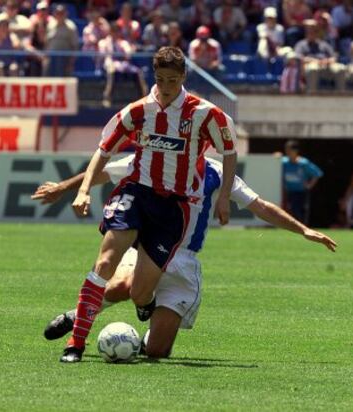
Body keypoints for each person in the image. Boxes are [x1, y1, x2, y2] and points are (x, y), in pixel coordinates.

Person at [32, 155, 337, 358]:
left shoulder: (217, 171)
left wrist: (303, 230)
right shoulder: (154, 156)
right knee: (123, 285)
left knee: (157, 352)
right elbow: (103, 172)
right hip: (148, 247)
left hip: (184, 262)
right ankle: (77, 317)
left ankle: (134, 338)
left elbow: (260, 205)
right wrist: (63, 187)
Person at [57, 46, 238, 362]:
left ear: (182, 77)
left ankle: (144, 303)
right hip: (136, 194)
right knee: (105, 263)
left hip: (173, 209)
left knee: (139, 291)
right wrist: (84, 189)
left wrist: (223, 196)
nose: (165, 86)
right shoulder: (138, 111)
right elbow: (104, 150)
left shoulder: (206, 113)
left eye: (171, 80)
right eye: (160, 79)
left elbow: (229, 151)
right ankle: (75, 343)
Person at [294, 19, 346, 93]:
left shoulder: (323, 44)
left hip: (326, 66)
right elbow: (299, 57)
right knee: (313, 68)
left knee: (341, 68)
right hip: (311, 66)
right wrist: (315, 61)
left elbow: (334, 56)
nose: (311, 34)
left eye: (313, 32)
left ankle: (341, 94)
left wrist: (328, 61)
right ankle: (312, 94)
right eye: (309, 32)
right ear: (306, 33)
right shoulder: (301, 44)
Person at [282, 139, 323, 224]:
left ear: (296, 150)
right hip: (289, 191)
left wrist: (309, 185)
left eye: (289, 150)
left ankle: (303, 227)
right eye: (286, 150)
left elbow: (317, 174)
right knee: (290, 210)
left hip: (301, 192)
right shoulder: (284, 162)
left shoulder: (303, 163)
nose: (288, 152)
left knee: (300, 211)